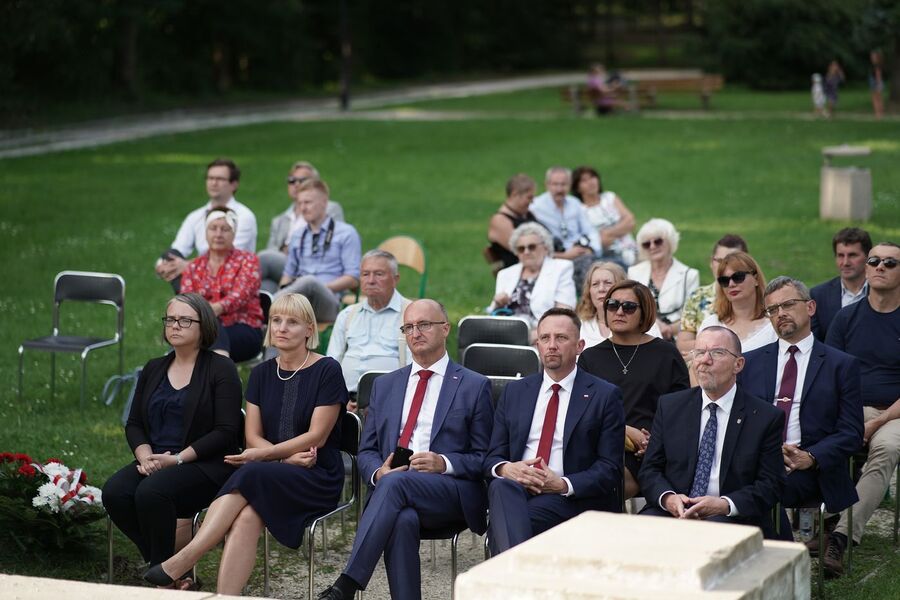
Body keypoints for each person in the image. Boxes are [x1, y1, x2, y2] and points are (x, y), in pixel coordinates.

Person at [143, 294, 346, 595]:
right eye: (276, 320)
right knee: (248, 516)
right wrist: (278, 460)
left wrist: (268, 456)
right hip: (272, 471)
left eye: (292, 322)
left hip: (315, 473)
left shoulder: (327, 370)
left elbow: (316, 436)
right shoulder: (261, 374)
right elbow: (251, 436)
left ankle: (185, 557)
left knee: (249, 473)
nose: (282, 328)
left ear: (309, 329)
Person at [317, 299, 494, 600]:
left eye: (424, 324)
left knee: (395, 485)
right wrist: (378, 472)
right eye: (408, 327)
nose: (416, 332)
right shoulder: (386, 385)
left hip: (450, 492)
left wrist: (444, 462)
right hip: (396, 491)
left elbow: (485, 458)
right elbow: (368, 450)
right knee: (402, 517)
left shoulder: (473, 386)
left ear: (445, 329)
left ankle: (346, 586)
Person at [102, 293, 242, 588]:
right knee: (115, 492)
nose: (175, 326)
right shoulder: (153, 368)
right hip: (156, 461)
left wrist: (177, 459)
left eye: (184, 320)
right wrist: (145, 457)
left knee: (152, 492)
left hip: (207, 463)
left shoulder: (221, 369)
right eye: (170, 319)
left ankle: (164, 577)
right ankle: (169, 570)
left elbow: (226, 431)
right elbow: (135, 423)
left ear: (203, 327)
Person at [485, 308, 624, 554]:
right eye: (545, 338)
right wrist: (507, 468)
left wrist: (561, 484)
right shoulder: (516, 392)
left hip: (571, 497)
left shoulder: (604, 395)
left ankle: (507, 583)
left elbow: (609, 469)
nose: (551, 345)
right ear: (537, 344)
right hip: (518, 489)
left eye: (561, 338)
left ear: (580, 345)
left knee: (508, 522)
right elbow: (492, 457)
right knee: (501, 486)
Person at [741, 277, 863, 542]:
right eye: (772, 310)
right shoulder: (750, 363)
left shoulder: (841, 365)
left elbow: (852, 432)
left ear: (810, 307)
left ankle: (779, 560)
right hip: (757, 461)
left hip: (809, 469)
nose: (780, 313)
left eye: (787, 304)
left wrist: (811, 457)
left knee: (761, 490)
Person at [637, 326, 785, 538]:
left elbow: (771, 485)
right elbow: (650, 470)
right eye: (699, 352)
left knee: (709, 537)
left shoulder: (764, 417)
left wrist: (724, 504)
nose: (704, 360)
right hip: (674, 510)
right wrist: (668, 498)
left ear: (738, 364)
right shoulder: (670, 407)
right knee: (636, 534)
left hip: (732, 516)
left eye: (717, 353)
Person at [821, 242, 900, 576]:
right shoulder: (847, 317)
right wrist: (852, 420)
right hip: (850, 408)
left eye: (890, 262)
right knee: (821, 441)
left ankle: (840, 537)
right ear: (866, 268)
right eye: (874, 260)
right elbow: (828, 375)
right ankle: (820, 521)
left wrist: (878, 421)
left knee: (887, 448)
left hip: (894, 413)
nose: (879, 266)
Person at [579, 281, 690, 499]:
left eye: (628, 307)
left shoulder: (666, 354)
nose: (619, 312)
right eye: (612, 305)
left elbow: (681, 411)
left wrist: (655, 442)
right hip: (599, 444)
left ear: (644, 312)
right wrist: (626, 431)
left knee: (605, 484)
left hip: (652, 451)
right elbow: (584, 412)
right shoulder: (590, 358)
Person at [155, 158, 257, 291]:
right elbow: (178, 249)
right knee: (169, 254)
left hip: (231, 278)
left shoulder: (244, 216)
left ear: (234, 184)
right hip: (199, 278)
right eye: (210, 178)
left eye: (220, 179)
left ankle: (190, 305)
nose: (214, 183)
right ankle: (189, 303)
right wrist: (163, 265)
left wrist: (189, 266)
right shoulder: (195, 216)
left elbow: (229, 257)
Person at [327, 249, 412, 403]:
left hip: (392, 402)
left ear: (395, 279)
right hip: (346, 402)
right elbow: (331, 364)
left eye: (379, 274)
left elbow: (417, 369)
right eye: (365, 274)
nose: (371, 280)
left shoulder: (411, 315)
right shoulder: (347, 315)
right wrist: (339, 402)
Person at [180, 209, 264, 362]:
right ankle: (223, 376)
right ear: (205, 232)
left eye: (225, 229)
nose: (218, 234)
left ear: (234, 233)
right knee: (205, 332)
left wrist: (209, 312)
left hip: (244, 328)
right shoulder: (193, 267)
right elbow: (187, 303)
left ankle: (220, 375)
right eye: (213, 228)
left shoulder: (248, 261)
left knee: (207, 331)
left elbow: (241, 295)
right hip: (203, 331)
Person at [277, 178, 361, 323]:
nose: (303, 208)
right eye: (300, 203)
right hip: (299, 301)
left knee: (310, 282)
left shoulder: (346, 233)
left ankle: (271, 304)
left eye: (308, 202)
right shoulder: (298, 235)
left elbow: (353, 279)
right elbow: (288, 275)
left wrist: (319, 288)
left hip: (329, 301)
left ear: (324, 202)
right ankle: (274, 309)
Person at [258, 161, 346, 293]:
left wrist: (297, 248)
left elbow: (333, 240)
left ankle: (232, 292)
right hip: (284, 267)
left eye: (303, 180)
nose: (297, 184)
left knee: (262, 258)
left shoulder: (329, 207)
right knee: (265, 287)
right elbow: (272, 249)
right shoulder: (279, 220)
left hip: (310, 265)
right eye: (292, 180)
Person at [489, 223, 576, 331]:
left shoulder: (561, 268)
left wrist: (539, 335)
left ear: (545, 247)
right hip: (505, 331)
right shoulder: (505, 274)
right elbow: (493, 313)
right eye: (521, 249)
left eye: (532, 247)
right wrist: (498, 303)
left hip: (543, 333)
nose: (526, 252)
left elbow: (565, 312)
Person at [529, 166, 601, 289]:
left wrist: (592, 249)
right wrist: (566, 255)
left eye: (563, 184)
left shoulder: (574, 203)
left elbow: (590, 230)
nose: (559, 189)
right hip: (556, 258)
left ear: (569, 185)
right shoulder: (536, 207)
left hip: (583, 252)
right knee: (594, 272)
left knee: (611, 269)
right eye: (555, 184)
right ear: (547, 185)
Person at [627, 218, 699, 340]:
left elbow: (692, 316)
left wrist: (669, 329)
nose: (652, 246)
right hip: (642, 336)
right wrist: (656, 326)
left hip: (678, 337)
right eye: (646, 244)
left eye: (658, 241)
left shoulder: (689, 275)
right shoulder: (634, 272)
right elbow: (631, 308)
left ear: (670, 241)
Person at [678, 234, 749, 356]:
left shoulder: (753, 297)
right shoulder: (697, 297)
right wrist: (721, 346)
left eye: (732, 261)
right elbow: (683, 343)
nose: (725, 266)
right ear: (711, 262)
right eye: (720, 261)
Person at [698, 251, 777, 353]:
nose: (731, 284)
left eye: (738, 277)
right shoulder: (711, 324)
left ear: (756, 279)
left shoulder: (774, 324)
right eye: (724, 280)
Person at [810, 227, 872, 341]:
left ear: (868, 257)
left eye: (852, 255)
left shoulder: (881, 291)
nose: (845, 262)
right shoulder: (818, 295)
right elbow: (814, 342)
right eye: (840, 255)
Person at [571, 165, 637, 267]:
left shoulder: (609, 197)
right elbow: (598, 241)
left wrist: (608, 233)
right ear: (577, 188)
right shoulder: (579, 210)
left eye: (592, 177)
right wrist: (621, 229)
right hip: (608, 258)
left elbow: (631, 221)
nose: (591, 182)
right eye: (584, 180)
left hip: (632, 249)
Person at [486, 173, 538, 271]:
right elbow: (524, 250)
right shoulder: (500, 220)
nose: (532, 202)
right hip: (520, 272)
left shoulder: (527, 214)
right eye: (529, 197)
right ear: (514, 194)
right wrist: (565, 255)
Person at [869, 51, 884, 120]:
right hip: (877, 82)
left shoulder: (876, 65)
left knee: (875, 99)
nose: (872, 58)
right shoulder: (878, 65)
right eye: (872, 56)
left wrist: (878, 84)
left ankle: (877, 114)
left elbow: (878, 75)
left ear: (876, 58)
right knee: (879, 98)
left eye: (873, 57)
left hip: (876, 83)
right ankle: (880, 113)